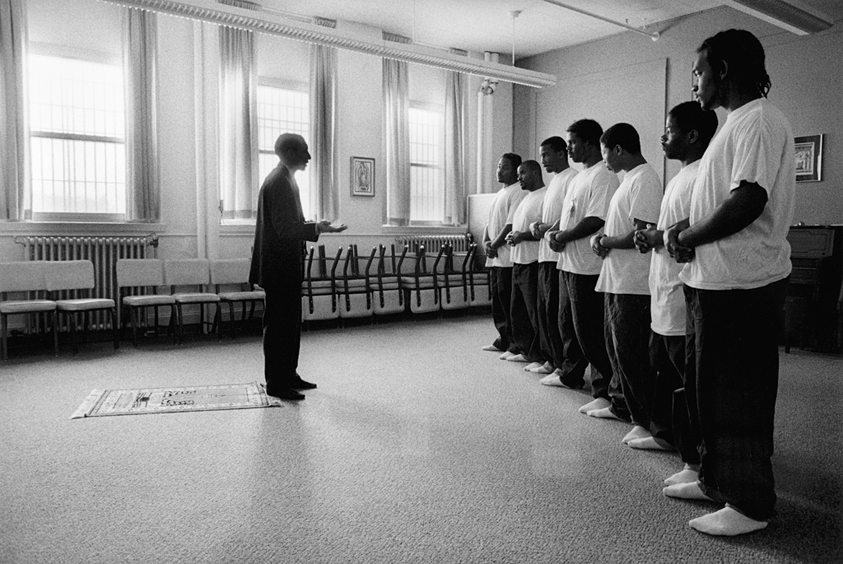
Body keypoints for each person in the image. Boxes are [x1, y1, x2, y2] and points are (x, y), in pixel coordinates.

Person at [663, 29, 795, 536]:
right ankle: (716, 479)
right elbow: (719, 195)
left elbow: (748, 200)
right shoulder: (734, 124)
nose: (694, 81)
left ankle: (749, 504)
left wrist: (690, 234)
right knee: (707, 391)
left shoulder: (758, 119)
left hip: (743, 285)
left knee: (739, 394)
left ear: (721, 70)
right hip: (714, 281)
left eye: (698, 71)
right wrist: (684, 231)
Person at [632, 102, 717, 465]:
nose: (663, 137)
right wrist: (651, 235)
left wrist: (661, 236)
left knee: (689, 379)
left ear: (693, 136)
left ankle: (696, 455)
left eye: (669, 130)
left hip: (683, 292)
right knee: (663, 369)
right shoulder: (679, 177)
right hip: (663, 288)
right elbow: (672, 227)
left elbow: (694, 226)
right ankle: (666, 434)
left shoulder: (703, 175)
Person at [250, 133, 347, 400]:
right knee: (279, 326)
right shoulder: (279, 182)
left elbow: (288, 224)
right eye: (304, 151)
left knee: (289, 324)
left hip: (284, 266)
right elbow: (284, 229)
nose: (309, 157)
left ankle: (288, 374)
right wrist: (316, 227)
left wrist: (316, 226)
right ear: (290, 152)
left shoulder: (285, 179)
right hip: (279, 268)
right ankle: (277, 383)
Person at [588, 124, 663, 437]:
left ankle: (643, 420)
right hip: (616, 279)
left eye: (605, 150)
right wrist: (602, 238)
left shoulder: (645, 178)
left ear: (617, 149)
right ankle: (621, 404)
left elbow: (641, 234)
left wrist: (605, 242)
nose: (604, 158)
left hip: (634, 283)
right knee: (616, 348)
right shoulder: (627, 180)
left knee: (632, 353)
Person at [545, 119, 618, 415]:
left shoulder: (604, 175)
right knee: (570, 326)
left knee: (591, 332)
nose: (569, 147)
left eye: (573, 142)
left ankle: (605, 390)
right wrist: (555, 233)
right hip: (569, 264)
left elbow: (596, 219)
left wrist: (563, 235)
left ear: (589, 143)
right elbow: (570, 217)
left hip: (589, 267)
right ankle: (571, 373)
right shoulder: (579, 178)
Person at [529, 137, 579, 376]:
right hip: (544, 254)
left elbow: (569, 217)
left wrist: (548, 228)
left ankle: (561, 364)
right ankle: (551, 359)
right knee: (544, 311)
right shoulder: (554, 182)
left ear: (561, 154)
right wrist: (540, 226)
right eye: (541, 156)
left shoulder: (572, 177)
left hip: (558, 255)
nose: (543, 160)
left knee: (557, 314)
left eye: (547, 155)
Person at [482, 153, 526, 360]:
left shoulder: (518, 191)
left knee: (509, 302)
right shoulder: (500, 192)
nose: (499, 170)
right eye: (499, 166)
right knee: (498, 302)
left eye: (505, 167)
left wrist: (496, 244)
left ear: (516, 171)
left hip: (507, 257)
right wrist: (486, 242)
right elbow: (489, 222)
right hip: (495, 256)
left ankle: (515, 344)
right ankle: (503, 339)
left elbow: (510, 224)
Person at [505, 160, 547, 367]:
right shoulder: (526, 197)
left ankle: (538, 354)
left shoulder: (544, 196)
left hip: (533, 261)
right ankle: (525, 350)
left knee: (534, 312)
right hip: (518, 260)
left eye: (522, 173)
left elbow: (543, 231)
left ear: (535, 173)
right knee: (518, 310)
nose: (519, 177)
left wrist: (522, 236)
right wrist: (515, 236)